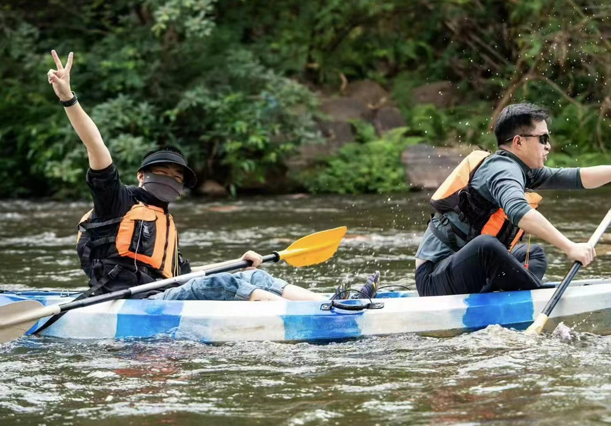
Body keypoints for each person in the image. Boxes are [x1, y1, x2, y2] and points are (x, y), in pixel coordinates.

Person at [46, 50, 379, 302]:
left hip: (161, 297)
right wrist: (68, 98)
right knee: (224, 285)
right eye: (160, 172)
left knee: (256, 277)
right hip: (130, 301)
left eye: (176, 175)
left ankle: (331, 303)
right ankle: (312, 315)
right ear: (141, 175)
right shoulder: (117, 200)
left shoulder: (164, 221)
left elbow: (187, 278)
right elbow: (96, 144)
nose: (168, 179)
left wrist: (240, 264)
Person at [414, 102, 611, 297]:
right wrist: (571, 247)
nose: (548, 146)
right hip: (435, 280)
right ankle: (537, 298)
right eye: (543, 138)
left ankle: (514, 298)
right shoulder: (501, 170)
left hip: (464, 272)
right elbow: (519, 211)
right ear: (518, 142)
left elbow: (576, 178)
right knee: (486, 247)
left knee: (533, 254)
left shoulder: (520, 168)